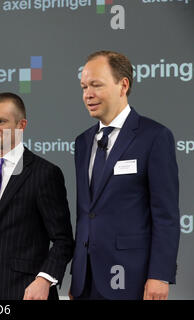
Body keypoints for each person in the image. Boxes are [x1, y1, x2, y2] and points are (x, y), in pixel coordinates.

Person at [70, 50, 180, 300]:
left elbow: (166, 215)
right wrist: (77, 275)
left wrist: (160, 275)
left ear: (123, 85)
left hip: (132, 279)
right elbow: (86, 213)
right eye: (84, 86)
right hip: (86, 281)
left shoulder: (154, 137)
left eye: (96, 85)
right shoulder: (83, 142)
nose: (87, 94)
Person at [0, 92, 74, 300]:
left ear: (21, 125)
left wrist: (44, 280)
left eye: (0, 121)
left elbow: (63, 240)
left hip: (28, 293)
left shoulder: (45, 173)